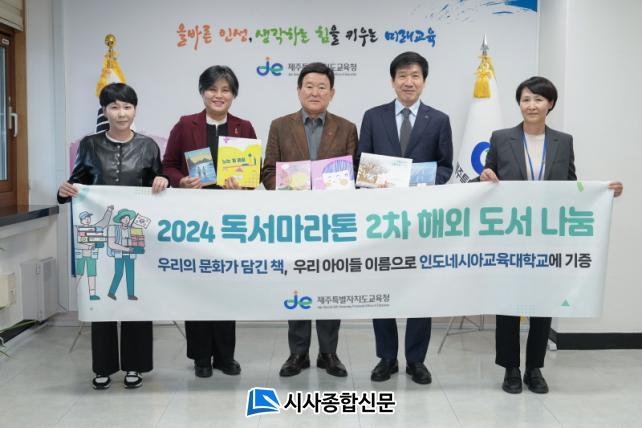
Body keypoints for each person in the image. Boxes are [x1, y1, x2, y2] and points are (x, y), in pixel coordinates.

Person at [480, 76, 624, 394]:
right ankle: (510, 368)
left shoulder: (563, 141)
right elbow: (487, 178)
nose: (531, 105)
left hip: (547, 237)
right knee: (508, 302)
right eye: (525, 99)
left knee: (542, 302)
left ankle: (534, 368)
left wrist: (603, 192)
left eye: (538, 99)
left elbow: (571, 186)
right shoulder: (501, 138)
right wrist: (485, 176)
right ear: (519, 104)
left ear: (550, 104)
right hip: (510, 234)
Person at [57, 83, 169, 390]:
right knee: (101, 300)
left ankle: (135, 365)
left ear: (135, 110)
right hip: (98, 236)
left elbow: (158, 182)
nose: (121, 113)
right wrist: (64, 191)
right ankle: (103, 366)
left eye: (127, 107)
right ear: (104, 111)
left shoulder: (148, 146)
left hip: (136, 235)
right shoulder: (90, 144)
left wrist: (163, 179)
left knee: (134, 296)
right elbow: (77, 182)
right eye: (114, 107)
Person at [357, 51, 453, 385]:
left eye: (415, 76)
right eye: (402, 76)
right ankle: (386, 357)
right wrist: (380, 179)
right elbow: (362, 164)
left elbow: (445, 167)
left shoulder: (438, 120)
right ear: (392, 81)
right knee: (381, 287)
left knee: (419, 289)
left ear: (424, 81)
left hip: (420, 220)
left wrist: (424, 182)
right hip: (381, 220)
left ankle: (416, 360)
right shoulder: (373, 116)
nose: (408, 82)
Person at [262, 62, 358, 378]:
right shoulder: (280, 125)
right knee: (297, 285)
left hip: (332, 222)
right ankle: (298, 353)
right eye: (309, 86)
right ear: (299, 90)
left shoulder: (347, 128)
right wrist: (290, 186)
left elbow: (354, 173)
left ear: (332, 93)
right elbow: (268, 171)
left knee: (331, 285)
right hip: (295, 222)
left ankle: (329, 353)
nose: (315, 92)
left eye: (322, 87)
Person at [162, 65, 256, 378]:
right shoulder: (185, 124)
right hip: (195, 219)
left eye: (225, 90)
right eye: (212, 89)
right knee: (198, 285)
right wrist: (181, 180)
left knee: (225, 286)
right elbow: (168, 165)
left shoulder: (244, 127)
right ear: (202, 92)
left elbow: (253, 174)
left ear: (234, 95)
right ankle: (201, 356)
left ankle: (226, 356)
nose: (219, 95)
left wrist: (243, 185)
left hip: (229, 219)